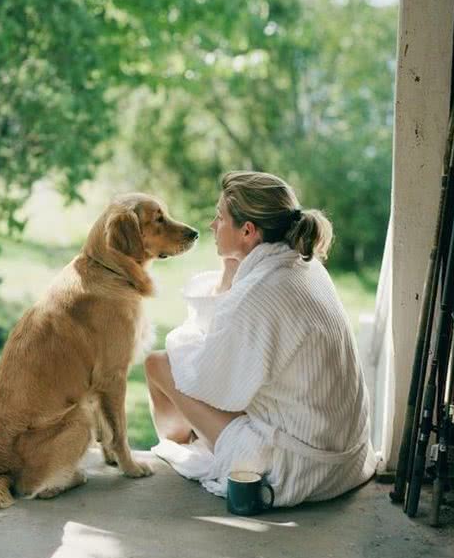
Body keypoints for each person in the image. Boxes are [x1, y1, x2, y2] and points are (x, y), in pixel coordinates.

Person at [144, 171, 378, 505]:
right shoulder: (305, 266)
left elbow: (210, 385)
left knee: (158, 364)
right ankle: (192, 440)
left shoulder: (258, 293)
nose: (212, 225)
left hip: (299, 467)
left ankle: (179, 445)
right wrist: (230, 267)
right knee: (185, 365)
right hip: (346, 458)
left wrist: (187, 338)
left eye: (220, 217)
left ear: (248, 231)